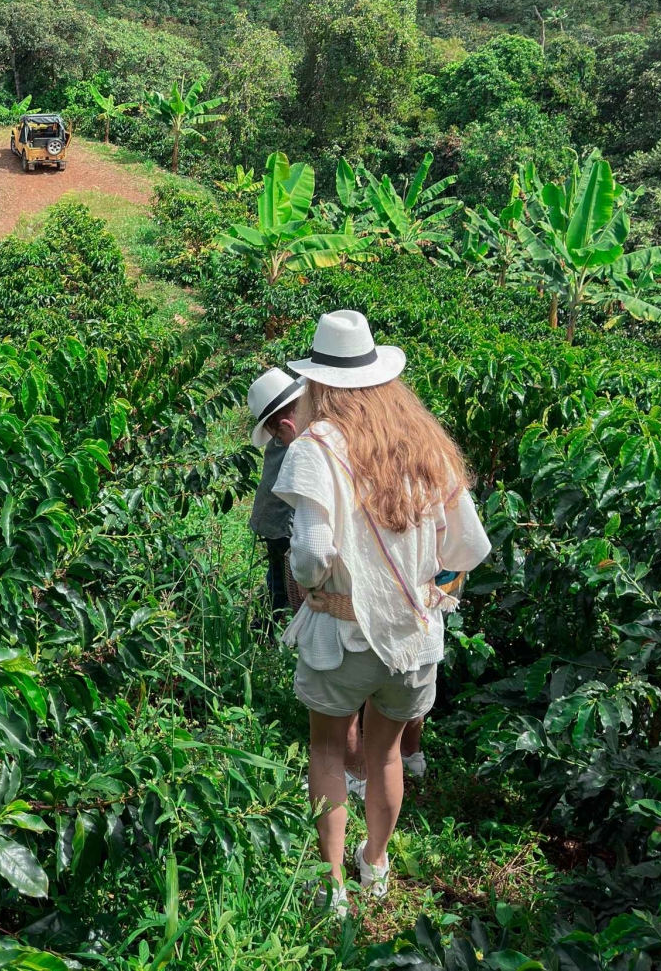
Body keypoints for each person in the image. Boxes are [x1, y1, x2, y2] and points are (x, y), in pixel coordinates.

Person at [274, 310, 491, 913]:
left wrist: (316, 583)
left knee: (326, 753)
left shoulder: (318, 446)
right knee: (386, 753)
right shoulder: (423, 442)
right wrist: (428, 585)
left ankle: (334, 885)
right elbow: (469, 548)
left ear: (319, 383)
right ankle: (377, 864)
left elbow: (312, 554)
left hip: (340, 636)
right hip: (412, 639)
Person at [245, 368, 308, 614]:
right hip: (280, 523)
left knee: (279, 574)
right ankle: (267, 629)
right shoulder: (295, 442)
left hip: (273, 518)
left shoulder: (292, 431)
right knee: (285, 581)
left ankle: (267, 625)